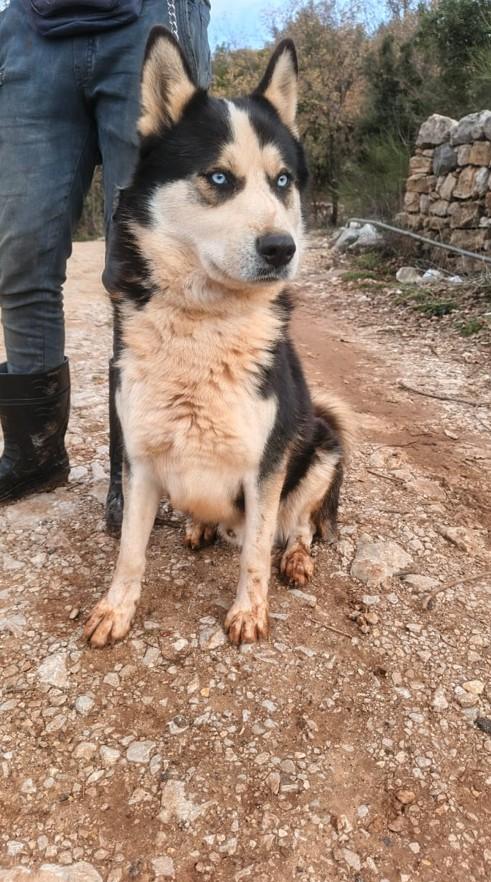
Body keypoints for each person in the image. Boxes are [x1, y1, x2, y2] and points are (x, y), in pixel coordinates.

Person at [0, 0, 211, 532]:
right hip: (33, 26)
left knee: (151, 258)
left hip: (151, 20)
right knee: (20, 250)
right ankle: (36, 455)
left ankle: (140, 468)